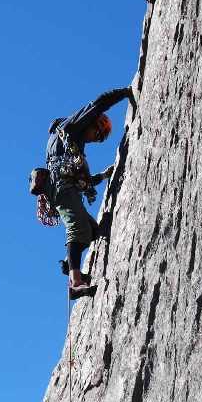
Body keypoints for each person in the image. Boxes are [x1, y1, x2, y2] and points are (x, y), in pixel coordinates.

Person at [45, 86, 134, 298]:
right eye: (98, 134)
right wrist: (125, 93)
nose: (96, 139)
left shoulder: (74, 144)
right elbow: (100, 103)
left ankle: (71, 261)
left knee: (93, 230)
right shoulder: (73, 126)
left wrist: (103, 176)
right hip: (61, 187)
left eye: (101, 139)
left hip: (67, 187)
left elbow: (82, 181)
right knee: (77, 229)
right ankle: (75, 283)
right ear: (93, 124)